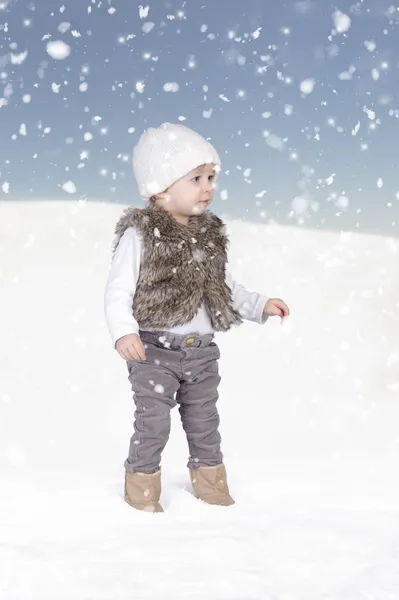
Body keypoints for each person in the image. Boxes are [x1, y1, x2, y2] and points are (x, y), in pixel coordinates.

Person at [104, 123, 290, 512]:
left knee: (205, 423)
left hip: (202, 354)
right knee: (153, 424)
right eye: (195, 179)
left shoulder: (209, 237)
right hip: (155, 352)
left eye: (210, 178)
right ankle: (141, 493)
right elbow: (118, 289)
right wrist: (124, 333)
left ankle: (212, 489)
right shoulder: (141, 236)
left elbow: (224, 287)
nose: (207, 187)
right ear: (161, 189)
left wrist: (260, 305)